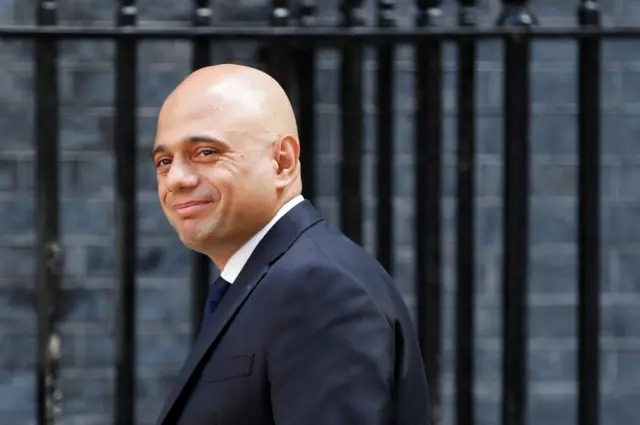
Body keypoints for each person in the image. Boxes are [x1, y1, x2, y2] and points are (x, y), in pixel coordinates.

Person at [152, 64, 430, 425]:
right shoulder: (272, 280)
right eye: (163, 161)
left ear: (282, 161)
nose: (176, 179)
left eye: (206, 152)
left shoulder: (319, 288)